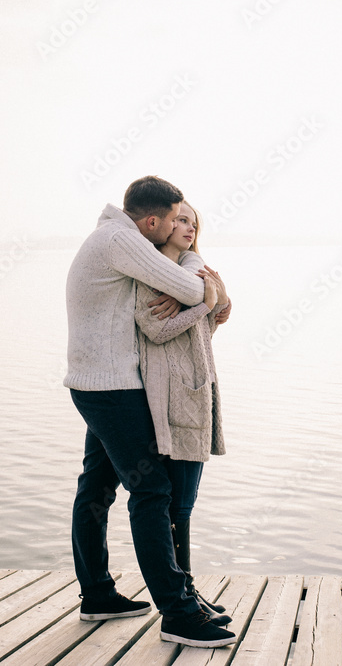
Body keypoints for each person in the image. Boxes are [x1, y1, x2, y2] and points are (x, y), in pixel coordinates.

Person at [64, 175, 236, 648]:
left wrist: (205, 287)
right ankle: (178, 614)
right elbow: (187, 285)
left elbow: (189, 281)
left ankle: (98, 594)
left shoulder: (108, 235)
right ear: (154, 221)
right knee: (152, 490)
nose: (180, 229)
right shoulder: (125, 239)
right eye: (175, 220)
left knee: (97, 486)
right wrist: (211, 292)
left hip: (97, 383)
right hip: (113, 388)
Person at [133, 201, 232, 625]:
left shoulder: (196, 271)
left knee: (185, 504)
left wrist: (214, 299)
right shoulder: (150, 272)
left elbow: (217, 315)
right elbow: (154, 328)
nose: (189, 227)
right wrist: (202, 304)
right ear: (164, 223)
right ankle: (182, 596)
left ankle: (188, 590)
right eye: (181, 220)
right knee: (176, 506)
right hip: (171, 397)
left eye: (194, 222)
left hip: (199, 389)